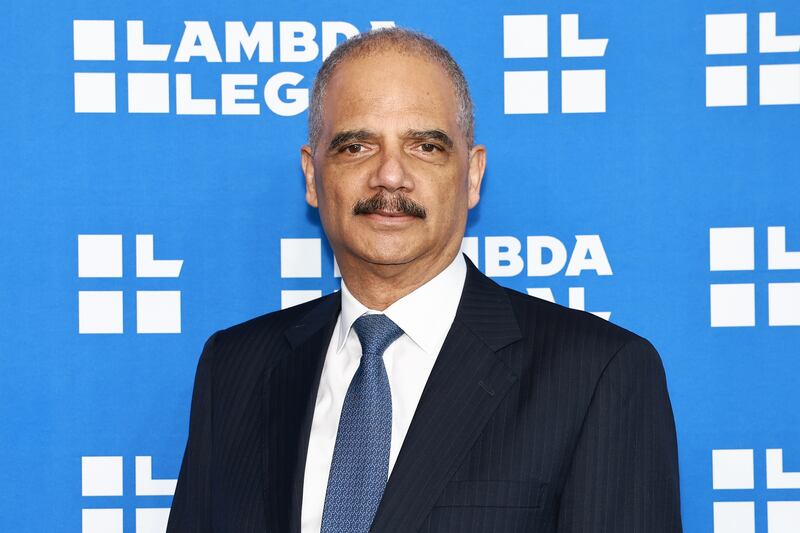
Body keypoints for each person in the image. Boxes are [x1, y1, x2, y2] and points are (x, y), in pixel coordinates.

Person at [167, 27, 682, 533]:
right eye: (356, 147)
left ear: (473, 174)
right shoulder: (233, 369)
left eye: (426, 147)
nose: (390, 176)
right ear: (311, 175)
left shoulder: (597, 375)